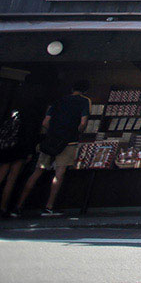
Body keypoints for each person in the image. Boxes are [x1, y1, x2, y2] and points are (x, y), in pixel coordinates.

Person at [12, 80, 90, 217]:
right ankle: (49, 207)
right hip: (68, 141)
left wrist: (52, 132)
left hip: (50, 140)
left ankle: (18, 206)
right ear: (86, 90)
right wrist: (76, 132)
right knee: (59, 174)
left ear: (72, 88)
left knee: (37, 171)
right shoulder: (84, 102)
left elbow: (45, 122)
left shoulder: (58, 101)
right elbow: (83, 123)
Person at [0, 76, 51, 218]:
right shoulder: (33, 115)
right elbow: (32, 133)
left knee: (2, 175)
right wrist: (29, 151)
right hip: (21, 148)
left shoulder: (15, 109)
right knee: (12, 178)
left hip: (7, 145)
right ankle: (4, 207)